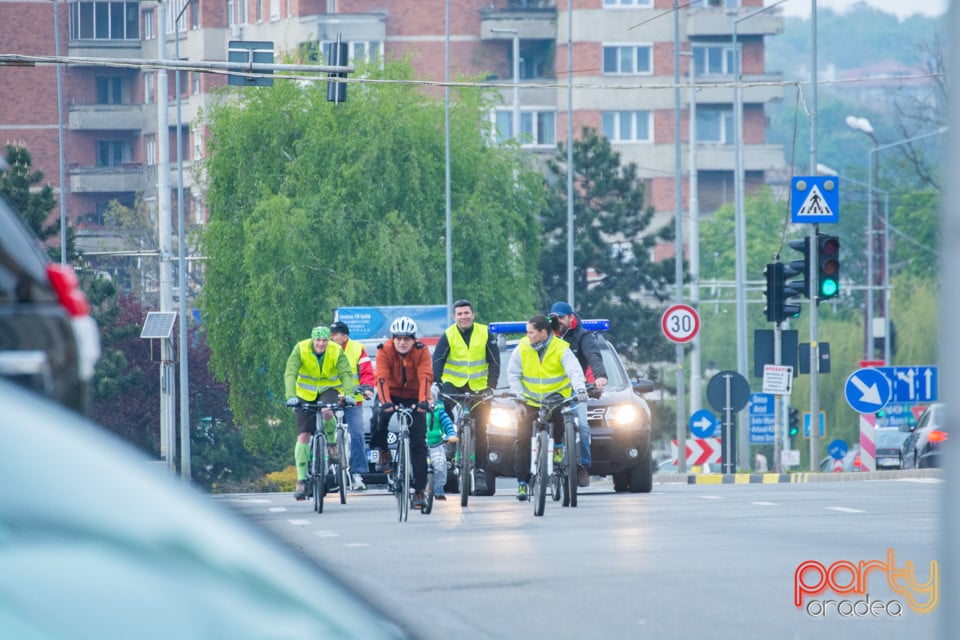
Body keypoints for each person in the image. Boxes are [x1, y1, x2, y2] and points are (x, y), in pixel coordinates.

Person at [507, 314, 587, 501]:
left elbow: (574, 371)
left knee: (560, 422)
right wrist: (519, 397)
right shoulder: (522, 347)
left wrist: (580, 389)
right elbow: (513, 374)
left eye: (531, 332)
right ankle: (521, 483)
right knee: (523, 439)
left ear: (543, 332)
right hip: (530, 400)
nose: (528, 336)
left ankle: (558, 448)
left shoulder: (561, 348)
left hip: (556, 398)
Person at [432, 298, 500, 494]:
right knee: (443, 409)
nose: (463, 317)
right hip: (454, 385)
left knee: (481, 430)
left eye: (466, 313)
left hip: (479, 387)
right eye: (460, 314)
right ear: (455, 317)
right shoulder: (448, 335)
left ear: (473, 315)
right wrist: (438, 383)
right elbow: (438, 360)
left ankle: (479, 471)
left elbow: (494, 361)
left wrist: (491, 387)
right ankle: (450, 440)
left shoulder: (484, 332)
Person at [284, 325, 356, 501]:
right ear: (312, 339)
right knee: (303, 436)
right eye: (318, 340)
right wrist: (291, 396)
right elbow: (290, 373)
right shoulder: (300, 348)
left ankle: (331, 445)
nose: (321, 344)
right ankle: (301, 480)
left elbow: (346, 373)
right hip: (303, 393)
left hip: (328, 389)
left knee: (327, 411)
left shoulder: (336, 350)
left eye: (324, 340)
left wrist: (349, 395)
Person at [371, 316, 434, 510]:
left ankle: (419, 491)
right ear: (393, 338)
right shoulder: (384, 350)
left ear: (413, 340)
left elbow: (426, 377)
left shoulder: (422, 352)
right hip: (390, 394)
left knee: (418, 444)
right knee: (378, 417)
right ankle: (383, 452)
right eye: (398, 338)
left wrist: (423, 401)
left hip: (415, 396)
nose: (402, 342)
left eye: (407, 339)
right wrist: (386, 402)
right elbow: (381, 378)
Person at [549, 301, 608, 488]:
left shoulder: (582, 336)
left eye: (562, 317)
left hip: (575, 387)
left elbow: (593, 355)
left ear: (571, 317)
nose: (558, 321)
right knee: (538, 425)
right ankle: (539, 464)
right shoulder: (546, 335)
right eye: (555, 317)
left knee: (583, 426)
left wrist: (600, 377)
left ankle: (583, 465)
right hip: (550, 388)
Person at [329, 321, 376, 491]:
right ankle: (324, 465)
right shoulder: (326, 349)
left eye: (335, 334)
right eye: (331, 334)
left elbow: (366, 372)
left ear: (345, 336)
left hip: (353, 399)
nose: (332, 338)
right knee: (324, 430)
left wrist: (367, 388)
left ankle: (357, 475)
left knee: (357, 434)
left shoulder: (357, 348)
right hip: (331, 397)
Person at [425, 388, 458, 501]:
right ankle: (419, 487)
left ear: (434, 400)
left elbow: (448, 424)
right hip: (420, 445)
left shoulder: (439, 411)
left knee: (440, 464)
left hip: (436, 444)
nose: (427, 401)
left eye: (429, 398)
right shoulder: (416, 412)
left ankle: (439, 487)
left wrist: (451, 434)